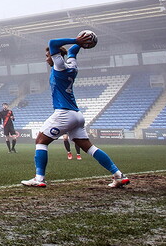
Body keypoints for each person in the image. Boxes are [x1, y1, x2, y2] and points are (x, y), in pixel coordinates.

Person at [22, 34, 129, 188]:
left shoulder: (60, 66)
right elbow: (73, 52)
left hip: (64, 113)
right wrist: (82, 42)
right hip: (77, 115)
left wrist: (76, 41)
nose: (46, 59)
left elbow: (52, 42)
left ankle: (39, 179)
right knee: (89, 147)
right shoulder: (72, 65)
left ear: (56, 56)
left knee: (40, 141)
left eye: (47, 56)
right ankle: (118, 175)